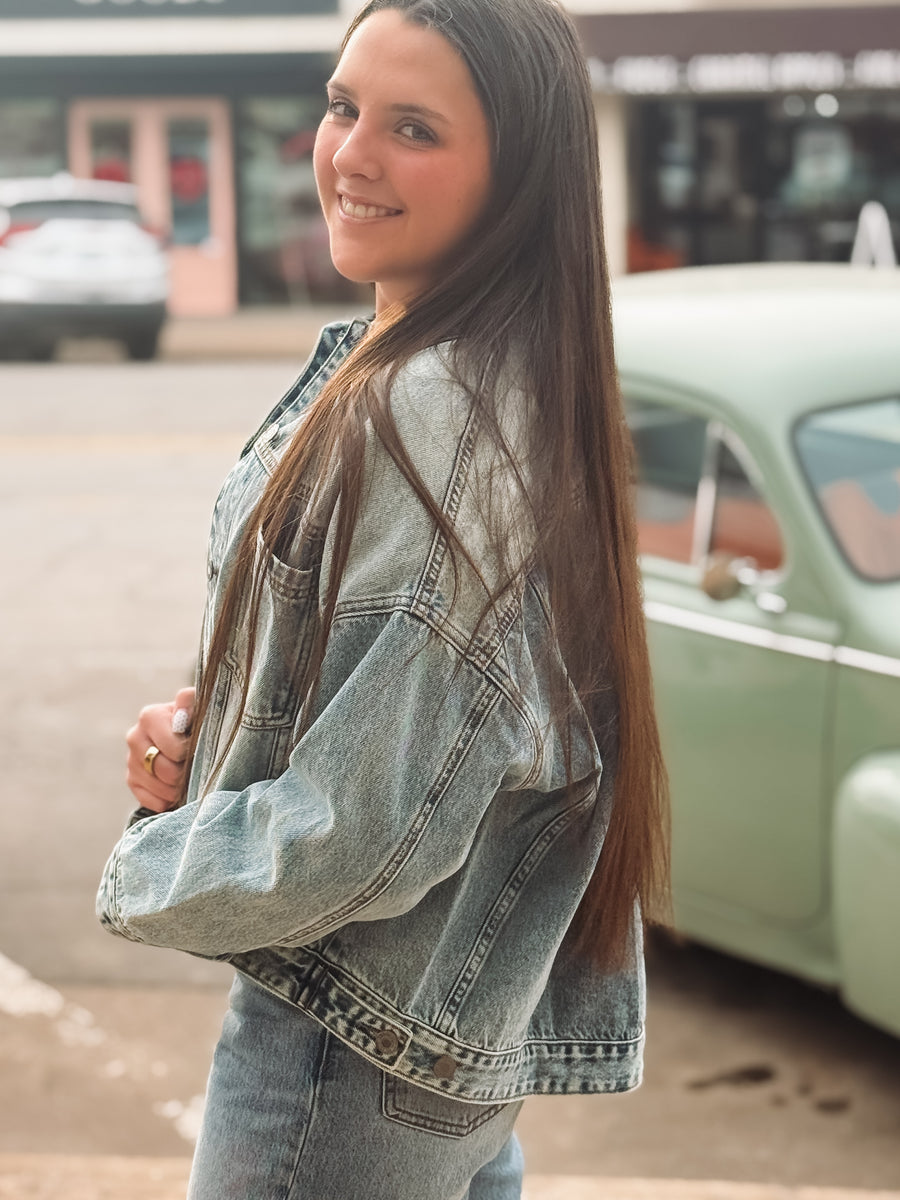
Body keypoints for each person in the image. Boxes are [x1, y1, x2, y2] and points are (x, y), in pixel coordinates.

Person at [96, 0, 669, 1196]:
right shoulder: (482, 370)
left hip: (340, 1050)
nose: (351, 154)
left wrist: (150, 864)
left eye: (413, 127)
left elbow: (365, 833)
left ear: (516, 174)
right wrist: (211, 755)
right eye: (344, 104)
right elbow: (434, 719)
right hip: (436, 1040)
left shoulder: (432, 415)